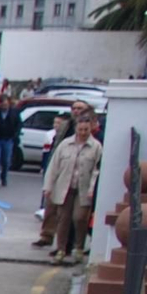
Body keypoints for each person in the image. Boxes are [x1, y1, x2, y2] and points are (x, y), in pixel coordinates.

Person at [40, 110, 103, 263]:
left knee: (80, 218)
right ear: (76, 129)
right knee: (63, 219)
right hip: (64, 187)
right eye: (80, 130)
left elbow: (97, 170)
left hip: (83, 189)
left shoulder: (95, 147)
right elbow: (54, 167)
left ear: (90, 129)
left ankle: (79, 248)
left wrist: (91, 190)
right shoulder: (65, 144)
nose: (82, 133)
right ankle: (61, 250)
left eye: (86, 130)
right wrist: (48, 187)